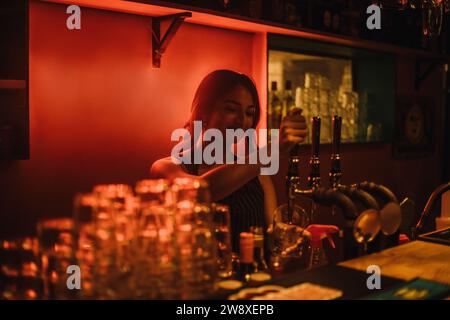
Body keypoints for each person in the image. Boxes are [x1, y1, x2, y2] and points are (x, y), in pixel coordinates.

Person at [150, 70, 307, 251]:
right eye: (232, 109)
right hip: (198, 276)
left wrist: (288, 237)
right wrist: (273, 149)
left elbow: (272, 240)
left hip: (251, 277)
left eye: (249, 113)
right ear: (203, 113)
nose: (242, 121)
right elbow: (201, 193)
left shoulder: (259, 176)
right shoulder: (166, 167)